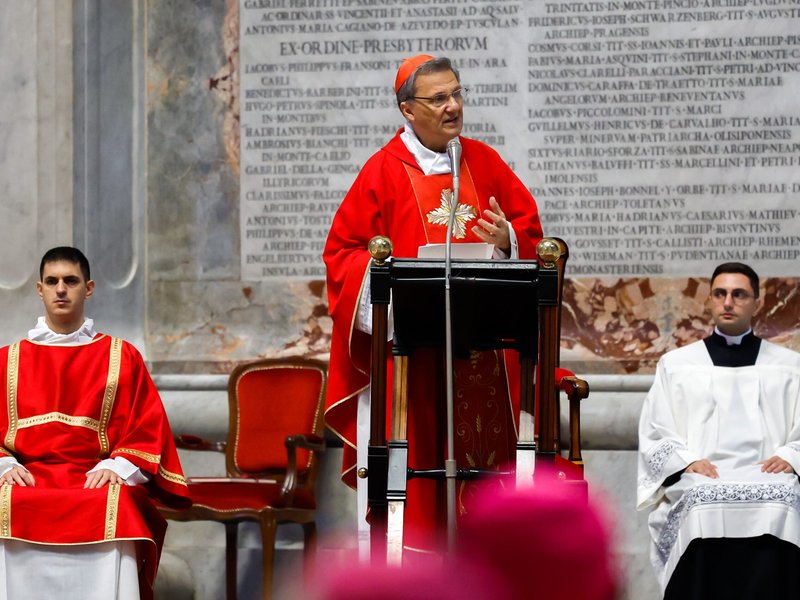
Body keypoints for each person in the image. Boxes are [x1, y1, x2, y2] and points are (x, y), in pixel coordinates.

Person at [323, 55, 543, 552]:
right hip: (416, 362)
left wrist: (507, 240)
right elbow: (342, 254)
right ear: (407, 110)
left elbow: (531, 233)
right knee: (422, 482)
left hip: (487, 353)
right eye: (439, 98)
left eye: (457, 93)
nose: (453, 107)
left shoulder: (483, 162)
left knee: (492, 492)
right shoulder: (382, 172)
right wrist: (390, 285)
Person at [0, 247, 190, 600]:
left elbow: (147, 427)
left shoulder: (121, 356)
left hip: (94, 474)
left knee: (115, 501)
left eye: (70, 281)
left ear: (88, 289)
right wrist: (4, 464)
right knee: (4, 498)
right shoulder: (8, 360)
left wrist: (118, 466)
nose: (60, 289)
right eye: (52, 281)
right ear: (39, 289)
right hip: (27, 474)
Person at [637, 262, 800, 599]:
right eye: (720, 294)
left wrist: (790, 455)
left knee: (785, 499)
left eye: (739, 294)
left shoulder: (789, 365)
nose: (728, 302)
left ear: (756, 302)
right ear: (709, 300)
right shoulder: (677, 364)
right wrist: (685, 461)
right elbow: (657, 429)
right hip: (702, 474)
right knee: (699, 501)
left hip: (769, 472)